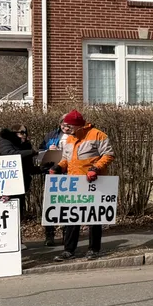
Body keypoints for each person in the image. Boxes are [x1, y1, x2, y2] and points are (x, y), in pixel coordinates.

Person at [54, 110, 114, 262]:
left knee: (93, 217)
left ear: (78, 125)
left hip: (93, 182)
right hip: (74, 183)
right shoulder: (69, 139)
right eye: (65, 126)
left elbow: (108, 154)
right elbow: (66, 159)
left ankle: (94, 249)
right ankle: (69, 250)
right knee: (71, 218)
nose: (66, 129)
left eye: (69, 126)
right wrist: (58, 168)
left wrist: (95, 168)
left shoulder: (98, 135)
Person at [37, 127, 65, 246]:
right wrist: (49, 150)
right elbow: (40, 151)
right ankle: (49, 236)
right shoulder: (51, 135)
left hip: (67, 174)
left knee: (65, 206)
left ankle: (66, 234)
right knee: (50, 205)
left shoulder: (75, 136)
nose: (66, 127)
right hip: (51, 174)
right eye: (64, 124)